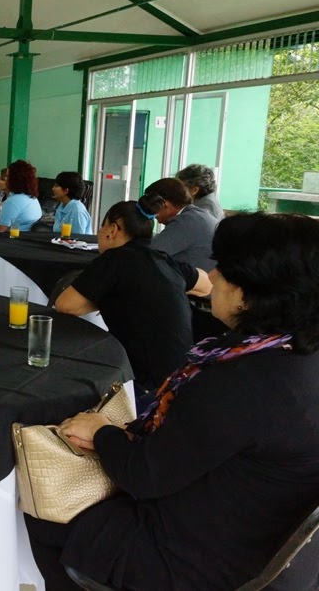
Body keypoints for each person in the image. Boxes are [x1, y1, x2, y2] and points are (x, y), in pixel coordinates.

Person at [29, 212, 319, 591]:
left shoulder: (242, 382)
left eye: (224, 271)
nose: (211, 277)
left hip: (190, 560)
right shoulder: (295, 357)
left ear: (254, 293)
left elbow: (145, 475)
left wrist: (102, 433)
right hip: (258, 543)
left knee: (36, 508)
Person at [55, 195, 212, 398]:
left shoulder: (115, 259)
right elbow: (206, 284)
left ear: (113, 230)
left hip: (148, 387)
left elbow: (66, 305)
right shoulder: (164, 260)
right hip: (183, 377)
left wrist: (119, 294)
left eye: (102, 227)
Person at [144, 176, 219, 271]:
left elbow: (149, 253)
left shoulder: (187, 221)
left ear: (165, 205)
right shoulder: (196, 214)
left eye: (154, 207)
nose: (153, 214)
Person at [0, 160, 42, 232]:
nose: (6, 179)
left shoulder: (12, 202)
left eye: (8, 176)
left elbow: (1, 232)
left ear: (15, 179)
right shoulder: (33, 198)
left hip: (14, 239)